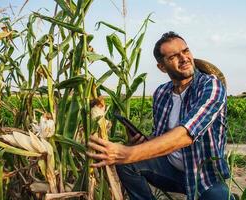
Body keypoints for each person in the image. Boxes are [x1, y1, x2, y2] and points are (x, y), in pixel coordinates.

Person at [87, 31, 234, 200]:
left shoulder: (210, 85)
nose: (184, 58)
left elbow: (187, 134)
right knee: (126, 164)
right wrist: (145, 141)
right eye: (174, 56)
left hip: (206, 177)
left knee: (221, 197)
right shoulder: (162, 93)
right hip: (171, 171)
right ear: (162, 67)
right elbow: (163, 136)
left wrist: (128, 152)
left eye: (185, 51)